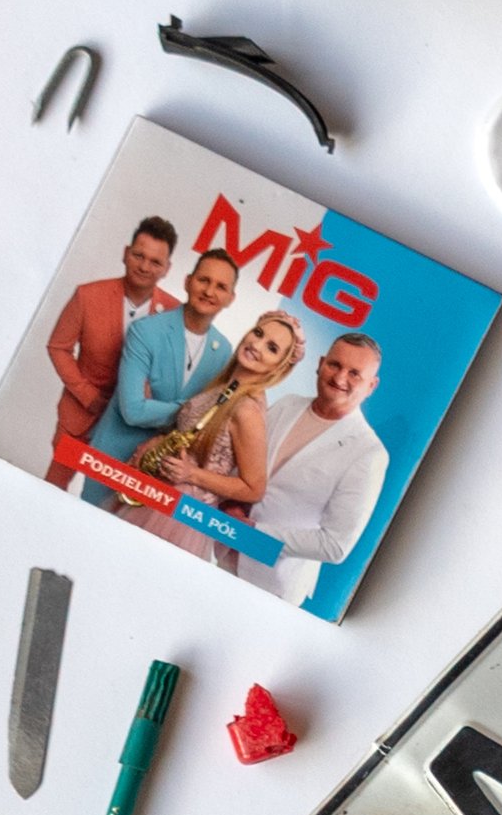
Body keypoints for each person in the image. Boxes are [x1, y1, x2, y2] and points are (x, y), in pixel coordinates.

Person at [120, 306, 307, 570]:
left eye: (272, 348)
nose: (256, 345)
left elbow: (254, 488)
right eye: (258, 333)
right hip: (164, 495)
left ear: (279, 367)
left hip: (181, 514)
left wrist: (191, 474)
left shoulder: (247, 410)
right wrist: (159, 442)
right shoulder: (225, 387)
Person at [235, 332, 389, 608]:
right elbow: (244, 461)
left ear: (371, 385)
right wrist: (231, 506)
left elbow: (335, 545)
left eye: (354, 373)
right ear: (320, 364)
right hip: (220, 547)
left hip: (272, 583)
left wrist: (254, 532)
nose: (340, 378)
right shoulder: (287, 404)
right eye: (335, 365)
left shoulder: (368, 453)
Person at [80, 246, 241, 499]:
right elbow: (133, 410)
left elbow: (209, 421)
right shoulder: (145, 331)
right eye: (204, 280)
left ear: (231, 298)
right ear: (188, 282)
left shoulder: (223, 351)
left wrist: (158, 408)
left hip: (164, 469)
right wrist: (190, 410)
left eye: (221, 287)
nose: (209, 291)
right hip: (113, 456)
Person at [42, 216, 177, 487]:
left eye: (155, 262)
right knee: (51, 488)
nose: (144, 266)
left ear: (166, 269)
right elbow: (58, 347)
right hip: (79, 416)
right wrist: (87, 396)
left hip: (131, 430)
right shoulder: (87, 295)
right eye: (139, 255)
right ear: (126, 253)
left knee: (108, 501)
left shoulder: (175, 313)